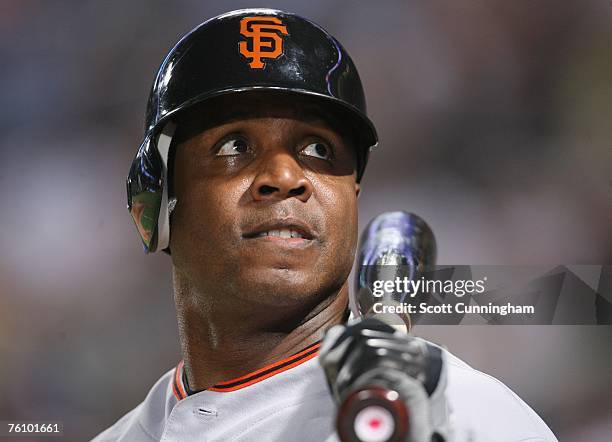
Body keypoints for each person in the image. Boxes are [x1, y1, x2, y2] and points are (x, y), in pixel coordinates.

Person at [93, 8, 557, 442]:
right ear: (152, 210)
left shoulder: (461, 415)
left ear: (352, 197)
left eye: (318, 150)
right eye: (234, 145)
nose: (285, 177)